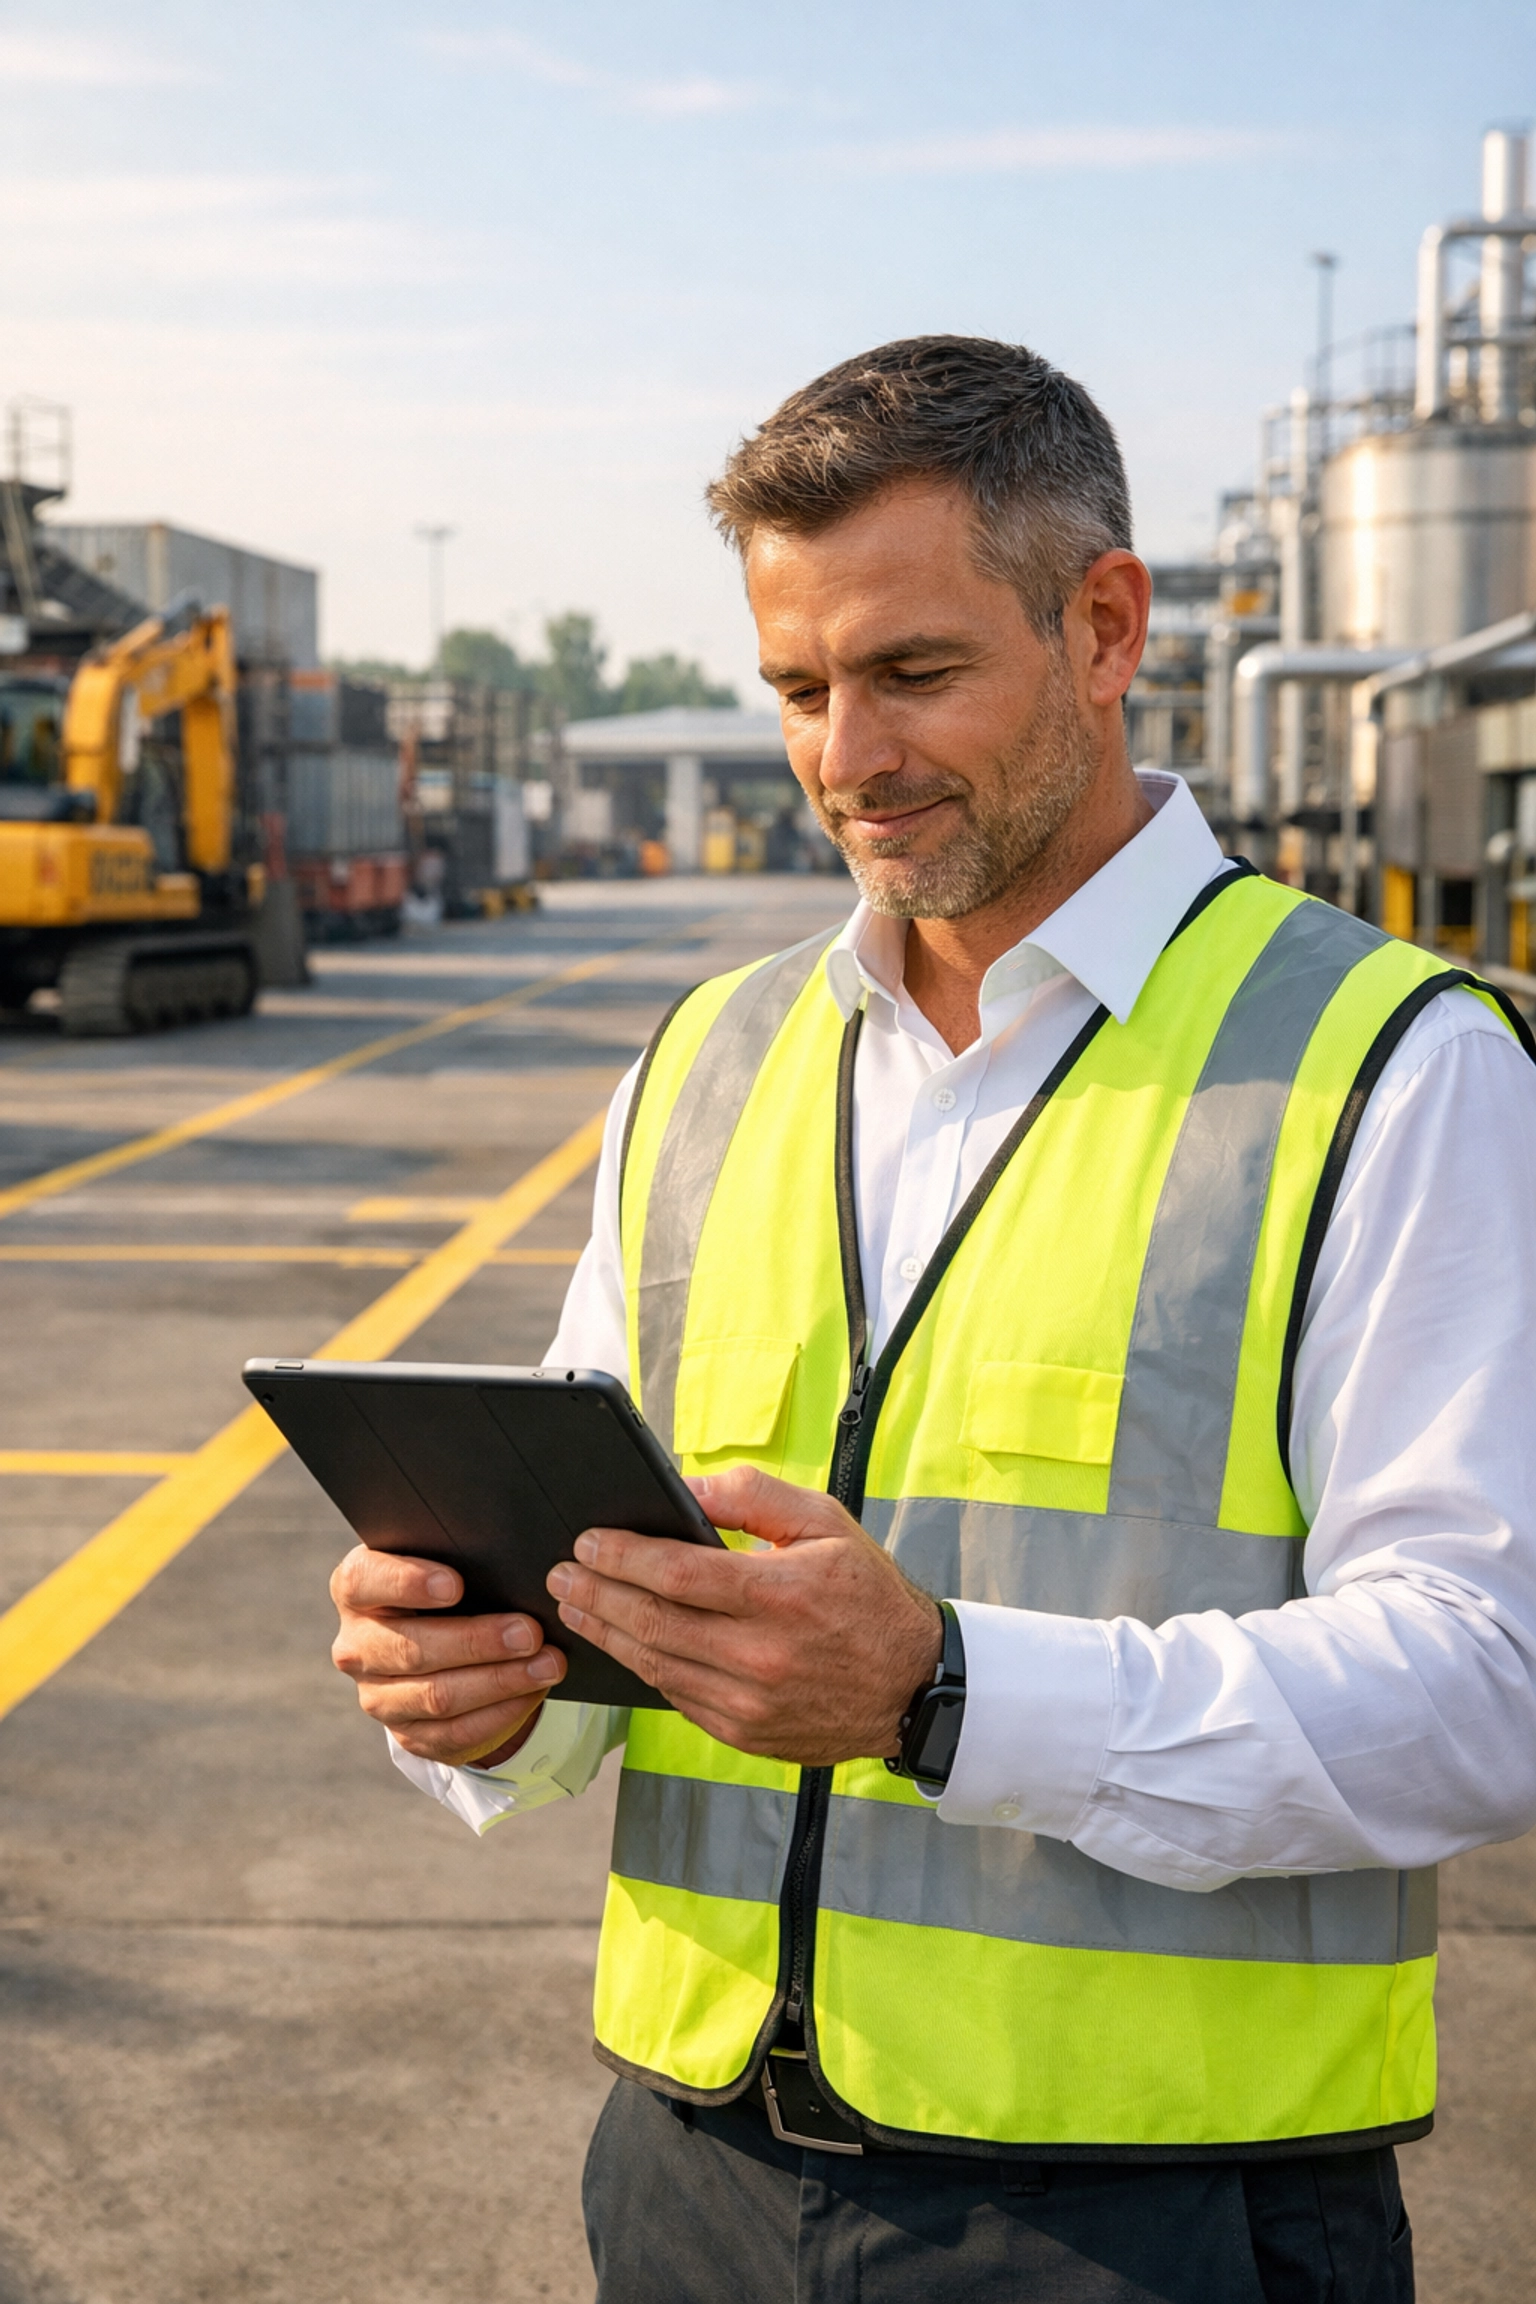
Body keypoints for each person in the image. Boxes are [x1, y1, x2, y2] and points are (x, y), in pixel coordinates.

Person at [330, 336, 1536, 2303]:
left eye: (913, 672)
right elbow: (604, 1585)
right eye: (799, 690)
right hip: (692, 2172)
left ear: (1106, 628)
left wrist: (944, 1695)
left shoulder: (1392, 1065)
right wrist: (482, 1689)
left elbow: (1492, 1679)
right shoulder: (706, 1061)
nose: (847, 759)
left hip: (1155, 2210)